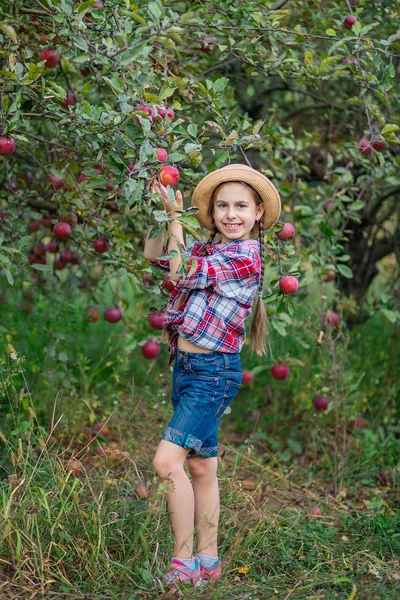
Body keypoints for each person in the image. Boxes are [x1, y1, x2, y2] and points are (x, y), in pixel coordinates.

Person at [143, 164, 281, 594]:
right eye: (222, 205)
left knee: (167, 464)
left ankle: (182, 563)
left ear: (258, 212)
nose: (230, 214)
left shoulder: (245, 256)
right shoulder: (207, 248)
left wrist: (175, 223)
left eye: (241, 206)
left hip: (213, 374)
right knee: (202, 467)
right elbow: (155, 256)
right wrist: (162, 211)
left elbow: (182, 273)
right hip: (188, 370)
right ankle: (209, 559)